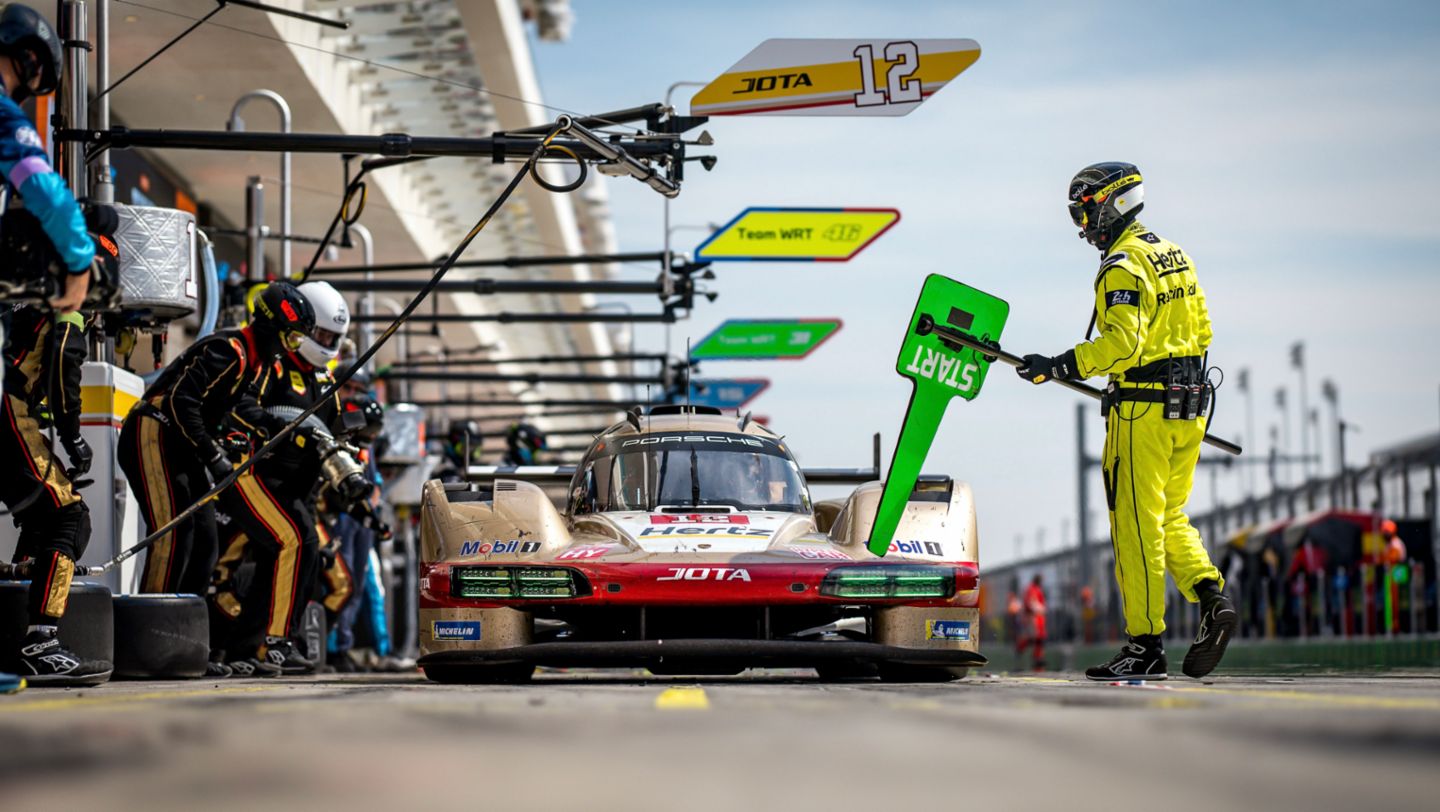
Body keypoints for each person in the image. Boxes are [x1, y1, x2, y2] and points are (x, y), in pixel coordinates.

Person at [1016, 163, 1237, 681]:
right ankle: (1211, 597)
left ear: (1113, 203)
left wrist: (1060, 365)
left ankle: (1144, 643)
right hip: (1191, 404)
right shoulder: (1172, 254)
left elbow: (1124, 344)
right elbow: (1201, 329)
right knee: (1169, 516)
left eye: (1086, 211)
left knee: (1135, 527)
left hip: (1142, 410)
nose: (1082, 226)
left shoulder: (1123, 264)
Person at [0, 4, 111, 687]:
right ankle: (40, 641)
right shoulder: (4, 118)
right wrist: (76, 261)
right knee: (68, 517)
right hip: (13, 408)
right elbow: (42, 184)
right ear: (32, 61)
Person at [119, 282, 314, 597]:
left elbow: (218, 412)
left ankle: (185, 633)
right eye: (291, 338)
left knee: (206, 542)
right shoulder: (229, 350)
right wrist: (213, 455)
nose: (291, 349)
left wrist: (237, 435)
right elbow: (180, 402)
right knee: (173, 534)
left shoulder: (253, 363)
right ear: (272, 328)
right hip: (152, 432)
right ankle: (149, 627)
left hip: (182, 445)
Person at [208, 281, 346, 675]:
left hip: (297, 491)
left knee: (306, 553)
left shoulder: (326, 385)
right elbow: (242, 405)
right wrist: (279, 426)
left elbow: (334, 438)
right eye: (320, 334)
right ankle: (272, 643)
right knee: (286, 545)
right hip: (256, 478)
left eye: (333, 337)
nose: (325, 343)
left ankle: (257, 645)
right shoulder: (274, 366)